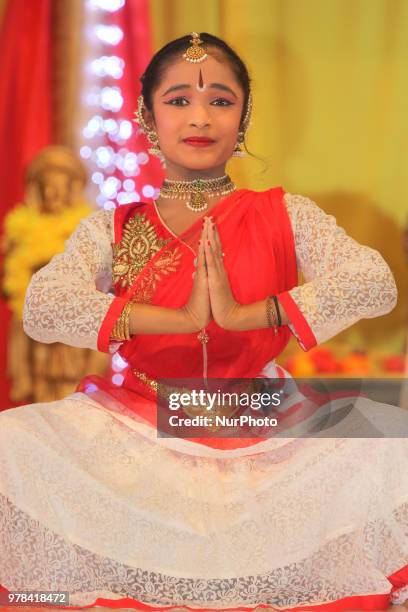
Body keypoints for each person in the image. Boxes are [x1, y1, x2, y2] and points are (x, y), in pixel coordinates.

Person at [0, 32, 407, 612]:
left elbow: (375, 281)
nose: (200, 117)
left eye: (220, 100)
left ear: (243, 118)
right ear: (147, 116)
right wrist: (177, 317)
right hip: (144, 418)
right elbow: (44, 306)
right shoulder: (114, 228)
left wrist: (252, 315)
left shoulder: (285, 214)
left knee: (394, 438)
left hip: (260, 413)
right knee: (9, 446)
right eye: (178, 101)